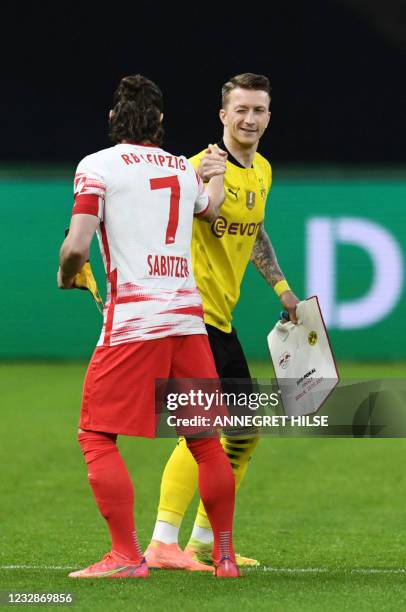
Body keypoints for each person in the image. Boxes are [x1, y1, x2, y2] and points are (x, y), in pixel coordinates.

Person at [58, 74, 240, 579]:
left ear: (113, 120)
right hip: (187, 318)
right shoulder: (182, 170)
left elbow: (76, 245)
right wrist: (217, 170)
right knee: (206, 440)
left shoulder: (96, 165)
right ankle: (224, 557)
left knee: (95, 434)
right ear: (160, 122)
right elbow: (213, 208)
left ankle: (124, 556)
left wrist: (67, 272)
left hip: (135, 320)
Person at [145, 73, 299, 570]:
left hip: (220, 318)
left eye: (258, 110)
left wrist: (281, 287)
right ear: (222, 115)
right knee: (206, 428)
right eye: (241, 110)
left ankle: (202, 541)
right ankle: (163, 541)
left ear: (269, 116)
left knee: (244, 430)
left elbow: (254, 233)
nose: (249, 119)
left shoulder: (263, 171)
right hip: (191, 315)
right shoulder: (199, 168)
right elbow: (157, 225)